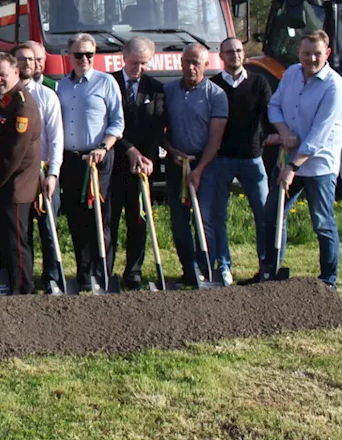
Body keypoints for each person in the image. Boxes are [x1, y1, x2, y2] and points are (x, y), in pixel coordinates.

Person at [258, 31, 342, 288]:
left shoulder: (334, 86)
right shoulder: (291, 74)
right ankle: (270, 272)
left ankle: (328, 280)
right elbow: (274, 106)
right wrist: (284, 133)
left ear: (327, 54)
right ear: (299, 52)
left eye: (317, 53)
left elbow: (320, 135)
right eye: (307, 53)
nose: (311, 58)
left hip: (318, 165)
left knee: (321, 222)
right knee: (273, 215)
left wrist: (293, 167)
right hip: (288, 158)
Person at [55, 33, 124, 292]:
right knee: (75, 217)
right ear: (68, 56)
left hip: (98, 160)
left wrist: (103, 147)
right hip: (71, 161)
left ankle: (102, 271)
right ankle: (83, 272)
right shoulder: (62, 86)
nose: (84, 59)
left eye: (89, 54)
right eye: (79, 54)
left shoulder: (106, 83)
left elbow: (118, 122)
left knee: (99, 217)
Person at [203, 36, 273, 286]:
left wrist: (270, 140)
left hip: (252, 160)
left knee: (264, 214)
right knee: (218, 216)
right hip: (221, 160)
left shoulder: (259, 82)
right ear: (221, 56)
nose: (235, 54)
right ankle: (224, 267)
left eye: (239, 50)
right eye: (229, 51)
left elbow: (269, 117)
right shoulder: (213, 86)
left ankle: (266, 266)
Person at [162, 44, 228, 286]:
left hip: (205, 163)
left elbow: (215, 139)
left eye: (196, 63)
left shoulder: (216, 95)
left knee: (205, 218)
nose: (191, 67)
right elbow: (159, 130)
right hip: (176, 162)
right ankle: (188, 271)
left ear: (205, 65)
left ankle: (206, 269)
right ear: (180, 63)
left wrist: (199, 170)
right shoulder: (168, 91)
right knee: (179, 222)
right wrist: (170, 152)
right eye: (187, 62)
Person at [0, 54, 42, 295]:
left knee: (16, 244)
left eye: (2, 75)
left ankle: (23, 292)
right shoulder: (1, 101)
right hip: (1, 185)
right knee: (4, 243)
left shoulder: (22, 103)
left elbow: (13, 154)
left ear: (16, 73)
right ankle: (10, 289)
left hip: (15, 186)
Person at [107, 36, 166, 289]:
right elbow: (108, 122)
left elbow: (157, 126)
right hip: (113, 163)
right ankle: (105, 271)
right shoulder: (109, 82)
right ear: (123, 57)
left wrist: (146, 157)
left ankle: (134, 272)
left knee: (138, 220)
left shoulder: (155, 88)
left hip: (142, 166)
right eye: (134, 63)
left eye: (144, 63)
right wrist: (128, 148)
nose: (138, 68)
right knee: (110, 220)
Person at [14, 41, 64, 293]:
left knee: (48, 228)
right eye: (20, 59)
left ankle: (52, 278)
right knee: (21, 231)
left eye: (30, 60)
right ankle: (25, 281)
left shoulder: (47, 96)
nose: (25, 64)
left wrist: (53, 173)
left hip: (44, 174)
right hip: (18, 176)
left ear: (37, 64)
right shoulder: (7, 98)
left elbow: (56, 139)